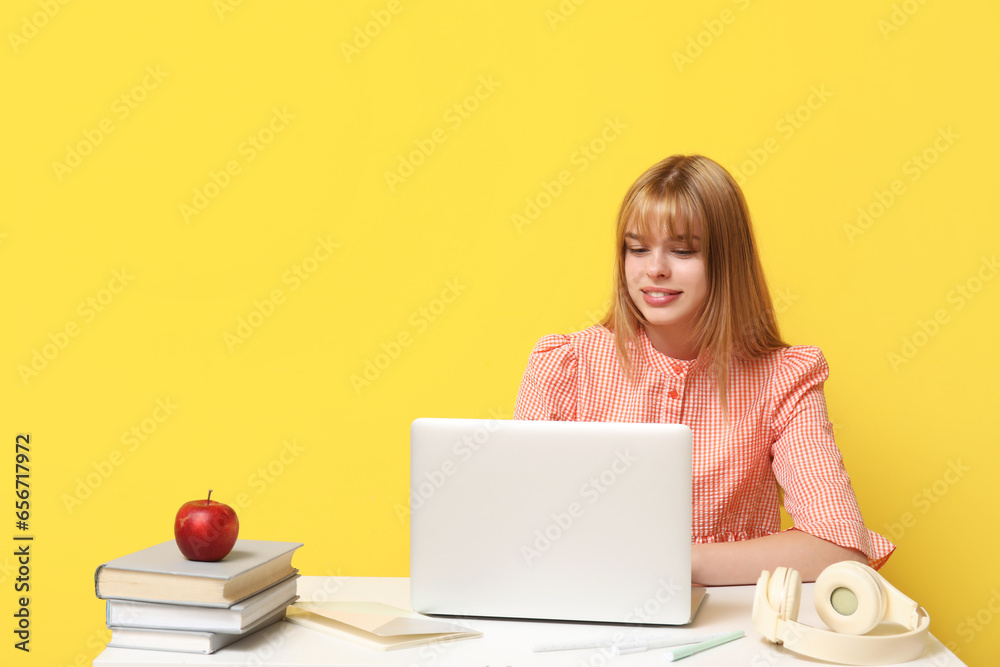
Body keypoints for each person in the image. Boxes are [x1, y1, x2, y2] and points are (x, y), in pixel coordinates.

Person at [513, 154, 894, 585]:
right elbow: (516, 530)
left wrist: (677, 564)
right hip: (587, 609)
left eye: (682, 250)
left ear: (726, 262)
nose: (654, 268)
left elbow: (837, 547)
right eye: (637, 249)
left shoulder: (784, 378)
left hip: (731, 627)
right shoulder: (566, 366)